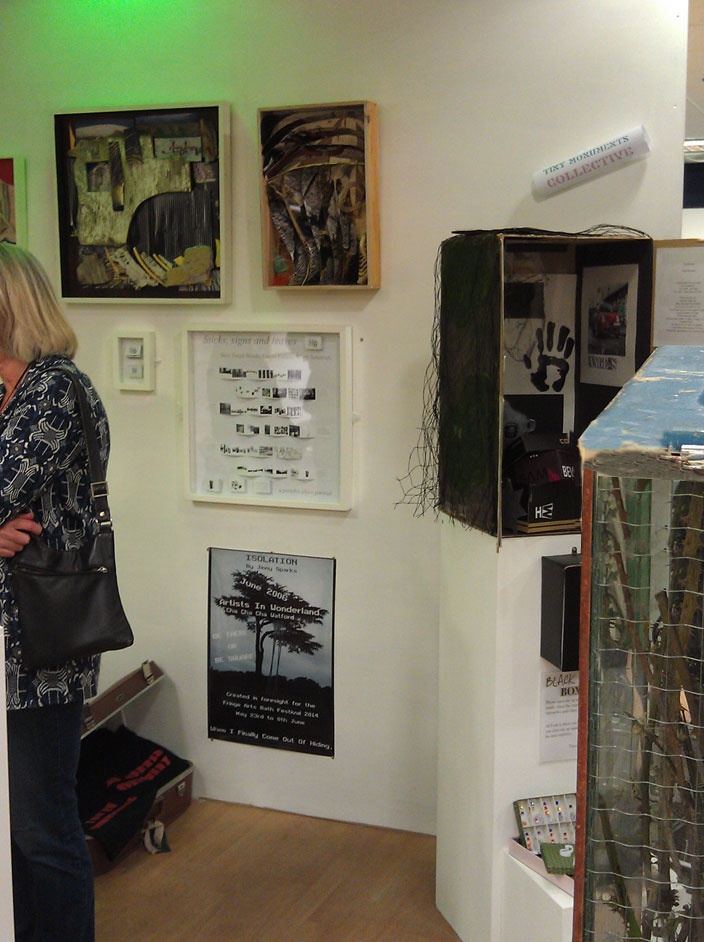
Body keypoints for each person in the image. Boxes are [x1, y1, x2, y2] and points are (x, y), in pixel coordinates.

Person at [0, 243, 109, 941]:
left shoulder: (54, 392)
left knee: (43, 828)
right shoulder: (8, 389)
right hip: (7, 642)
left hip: (40, 644)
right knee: (11, 828)